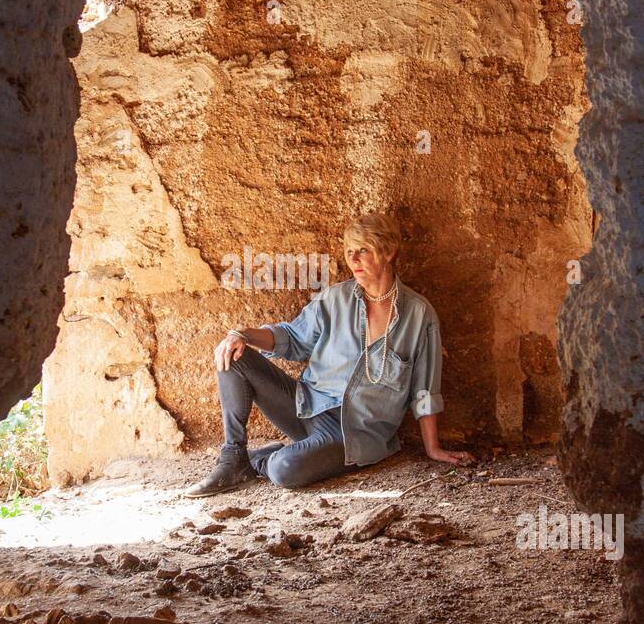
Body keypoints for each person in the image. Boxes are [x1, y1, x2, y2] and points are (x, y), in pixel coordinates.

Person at [186, 212, 473, 497]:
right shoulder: (334, 298)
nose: (354, 260)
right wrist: (242, 334)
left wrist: (433, 449)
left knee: (285, 469)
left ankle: (262, 460)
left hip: (352, 433)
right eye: (350, 252)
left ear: (388, 251)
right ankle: (233, 457)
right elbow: (292, 338)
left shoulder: (419, 315)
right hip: (306, 405)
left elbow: (425, 389)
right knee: (233, 354)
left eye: (363, 250)